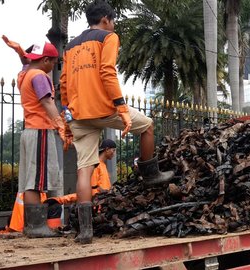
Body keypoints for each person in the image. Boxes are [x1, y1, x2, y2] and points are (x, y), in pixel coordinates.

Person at [60, 0, 173, 244]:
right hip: (104, 109)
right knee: (148, 126)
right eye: (113, 21)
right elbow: (107, 72)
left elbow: (64, 85)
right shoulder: (108, 37)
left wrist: (67, 120)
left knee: (84, 168)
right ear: (106, 19)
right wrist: (121, 107)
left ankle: (86, 231)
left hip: (79, 114)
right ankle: (151, 175)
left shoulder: (70, 46)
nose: (113, 25)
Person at [3, 35, 69, 238]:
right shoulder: (39, 76)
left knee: (32, 179)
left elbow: (27, 63)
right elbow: (48, 103)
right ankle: (35, 227)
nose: (54, 67)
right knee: (35, 181)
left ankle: (35, 226)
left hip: (30, 131)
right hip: (40, 131)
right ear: (46, 60)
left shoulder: (25, 75)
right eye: (54, 63)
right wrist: (61, 127)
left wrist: (22, 54)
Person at [48, 139, 115, 205]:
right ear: (107, 149)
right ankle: (58, 200)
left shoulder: (102, 165)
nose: (114, 153)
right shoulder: (96, 165)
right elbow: (93, 188)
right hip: (97, 204)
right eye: (113, 150)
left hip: (104, 202)